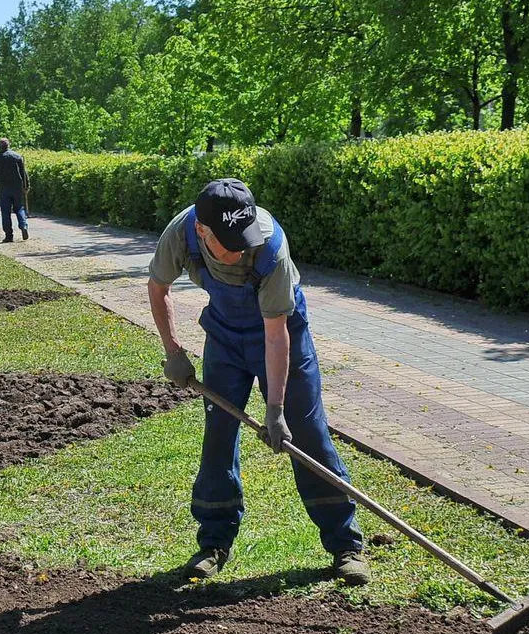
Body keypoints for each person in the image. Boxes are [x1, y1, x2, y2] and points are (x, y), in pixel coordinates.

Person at [148, 178, 369, 585]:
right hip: (225, 336)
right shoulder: (182, 232)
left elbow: (275, 334)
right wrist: (174, 352)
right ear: (202, 229)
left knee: (307, 432)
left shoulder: (270, 248)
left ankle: (345, 545)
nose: (240, 248)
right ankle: (214, 542)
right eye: (229, 241)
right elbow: (158, 286)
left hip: (281, 331)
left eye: (242, 237)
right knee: (218, 433)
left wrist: (276, 410)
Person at [0, 138, 29, 242]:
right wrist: (26, 186)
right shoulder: (17, 156)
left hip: (4, 188)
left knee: (5, 212)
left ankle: (9, 235)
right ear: (8, 145)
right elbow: (24, 173)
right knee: (19, 208)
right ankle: (23, 226)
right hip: (17, 187)